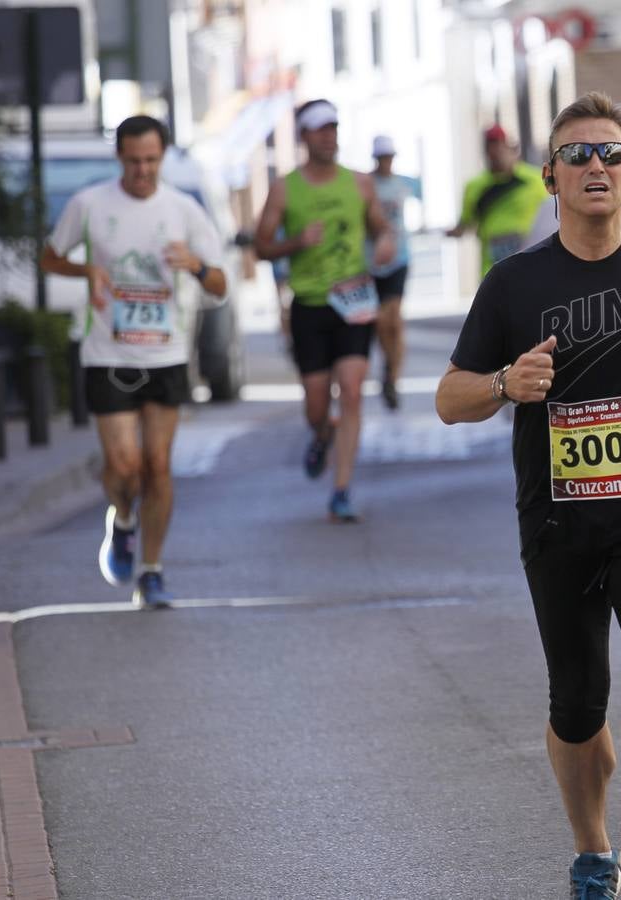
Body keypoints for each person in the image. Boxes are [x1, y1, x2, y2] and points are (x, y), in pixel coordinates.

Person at [436, 91, 621, 899]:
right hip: (558, 522)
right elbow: (448, 395)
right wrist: (504, 382)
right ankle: (590, 852)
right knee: (576, 703)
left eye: (610, 154)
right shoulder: (512, 285)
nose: (595, 166)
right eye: (577, 155)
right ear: (550, 178)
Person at [40, 115, 228, 608]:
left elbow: (222, 285)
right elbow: (49, 257)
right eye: (133, 161)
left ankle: (152, 570)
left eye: (151, 161)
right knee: (124, 467)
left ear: (162, 157)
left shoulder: (184, 210)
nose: (143, 170)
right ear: (119, 158)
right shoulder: (89, 204)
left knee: (158, 467)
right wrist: (89, 271)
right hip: (107, 352)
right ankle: (122, 520)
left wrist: (198, 267)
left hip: (165, 353)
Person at [253, 99, 396, 522]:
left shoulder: (360, 184)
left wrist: (385, 240)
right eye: (319, 129)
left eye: (333, 127)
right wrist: (294, 243)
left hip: (354, 300)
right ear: (303, 137)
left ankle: (341, 489)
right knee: (317, 405)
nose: (329, 136)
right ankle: (322, 432)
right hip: (310, 306)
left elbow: (379, 226)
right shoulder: (285, 189)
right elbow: (260, 246)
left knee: (352, 391)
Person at [446, 123, 549, 276]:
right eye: (490, 147)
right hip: (493, 267)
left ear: (511, 148)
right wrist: (450, 232)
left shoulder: (535, 180)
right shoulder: (475, 186)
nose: (496, 152)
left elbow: (554, 213)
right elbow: (466, 222)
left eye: (500, 146)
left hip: (531, 263)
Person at [366, 134, 421, 410]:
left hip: (399, 259)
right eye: (381, 158)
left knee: (394, 319)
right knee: (380, 323)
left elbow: (425, 193)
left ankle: (393, 377)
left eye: (389, 157)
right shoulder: (366, 185)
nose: (386, 163)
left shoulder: (403, 183)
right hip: (371, 262)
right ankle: (388, 364)